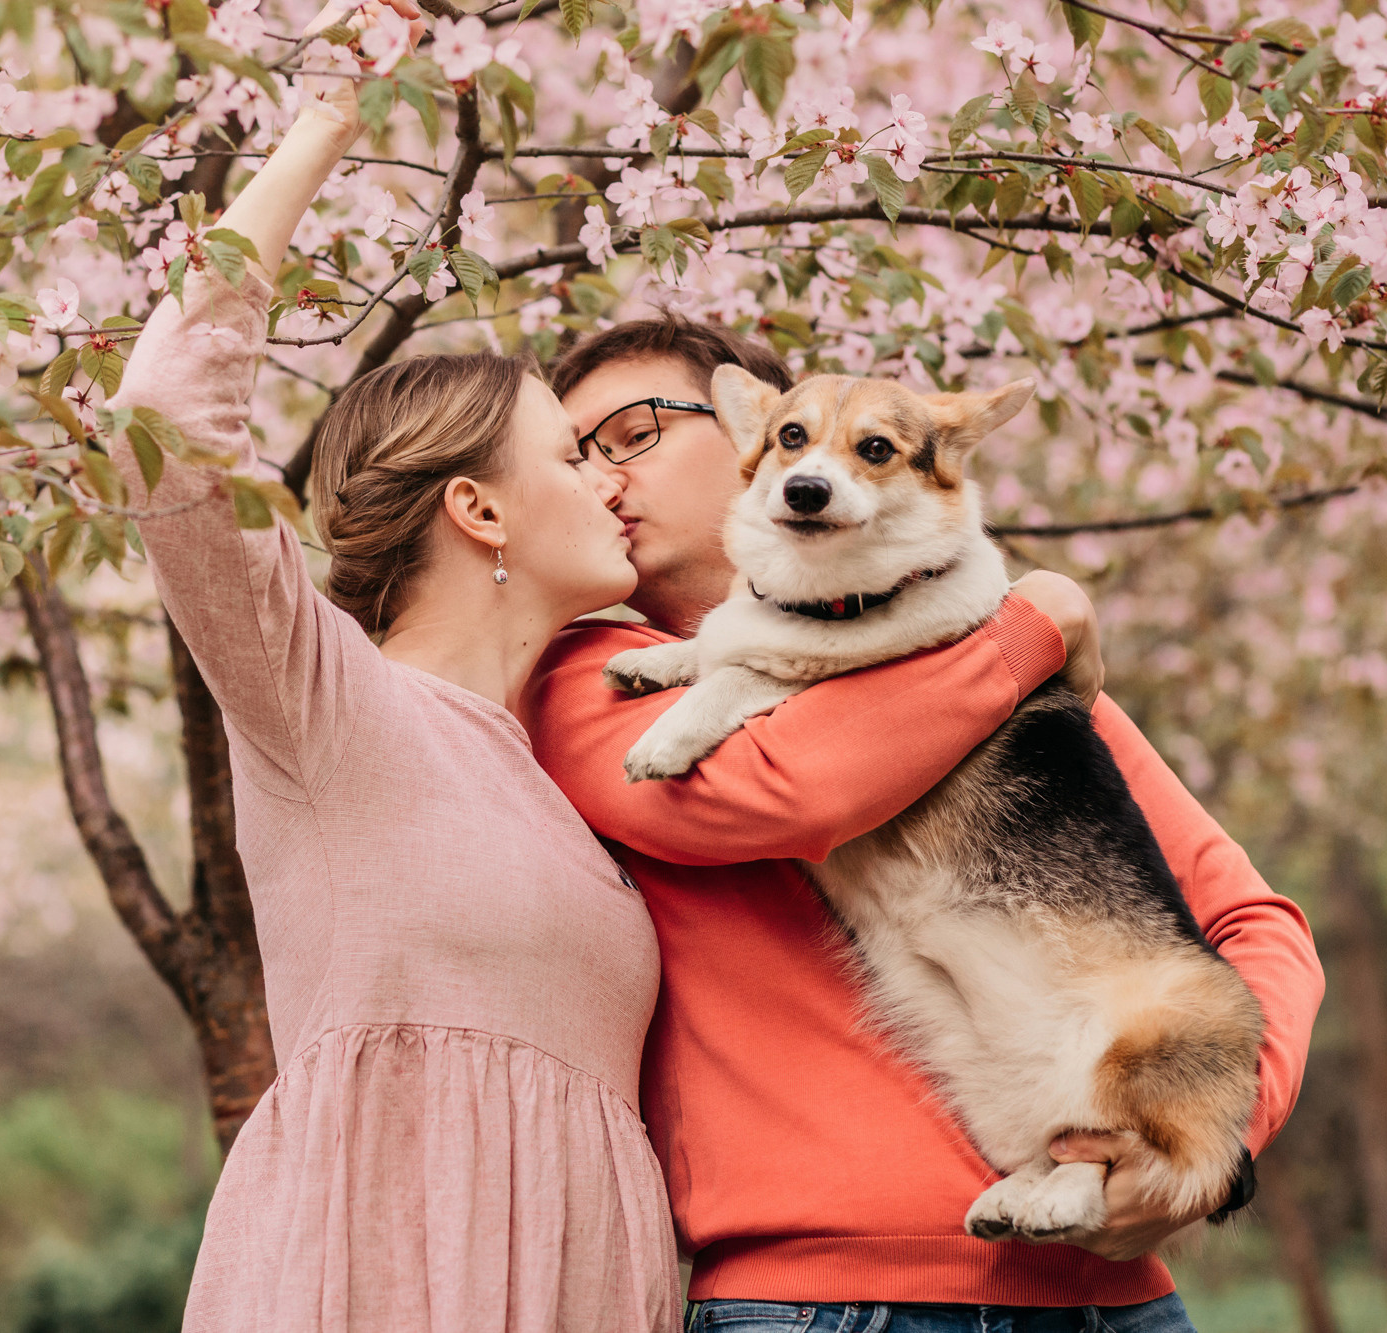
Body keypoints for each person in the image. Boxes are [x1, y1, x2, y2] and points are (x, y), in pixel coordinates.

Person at [523, 319, 1326, 1333]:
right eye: (576, 451)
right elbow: (789, 791)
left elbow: (1252, 921)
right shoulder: (584, 679)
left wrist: (1193, 1155)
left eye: (634, 432)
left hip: (1106, 1295)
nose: (603, 476)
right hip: (819, 1300)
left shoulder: (992, 658)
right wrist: (1033, 626)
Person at [103, 15, 681, 1327]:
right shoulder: (332, 708)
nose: (612, 482)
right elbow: (164, 429)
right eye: (573, 455)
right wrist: (324, 124)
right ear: (478, 509)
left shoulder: (575, 779)